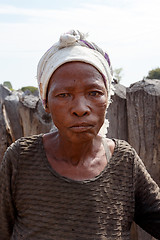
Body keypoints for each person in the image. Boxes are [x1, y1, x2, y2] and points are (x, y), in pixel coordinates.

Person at [0, 30, 160, 240]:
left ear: (107, 98)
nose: (80, 108)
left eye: (94, 93)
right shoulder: (20, 158)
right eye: (64, 95)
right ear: (46, 102)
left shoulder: (124, 161)